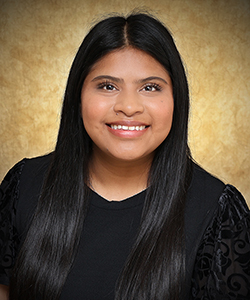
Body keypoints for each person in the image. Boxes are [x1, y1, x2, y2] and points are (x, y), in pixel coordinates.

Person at [0, 12, 249, 300]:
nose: (129, 107)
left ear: (176, 98)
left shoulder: (218, 212)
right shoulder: (23, 186)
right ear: (78, 95)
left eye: (150, 87)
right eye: (107, 86)